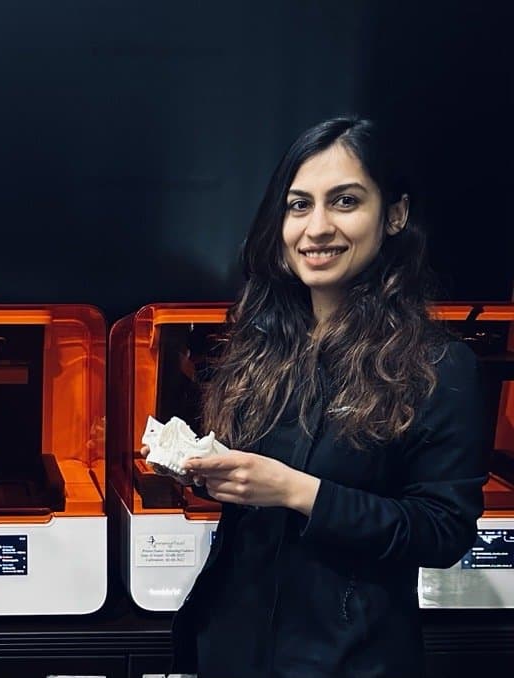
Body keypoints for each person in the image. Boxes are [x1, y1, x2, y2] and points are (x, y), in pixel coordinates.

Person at [166, 117, 486, 677]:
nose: (316, 228)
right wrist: (212, 471)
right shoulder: (265, 344)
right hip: (231, 648)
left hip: (349, 660)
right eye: (298, 205)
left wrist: (297, 491)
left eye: (344, 201)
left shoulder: (438, 365)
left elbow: (442, 531)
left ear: (395, 215)